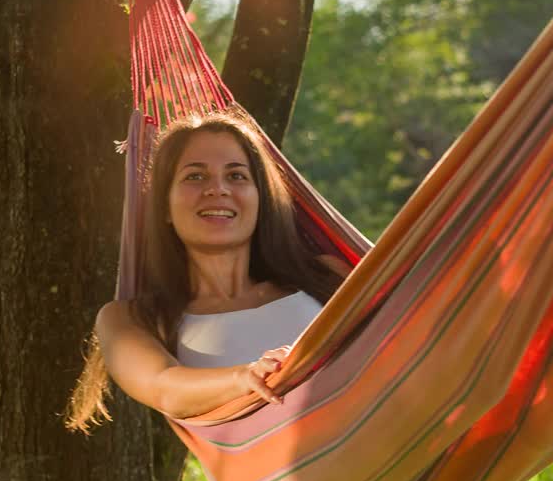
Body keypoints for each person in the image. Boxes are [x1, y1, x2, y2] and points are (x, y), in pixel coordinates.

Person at [66, 110, 351, 430]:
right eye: (195, 176)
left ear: (260, 199)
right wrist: (245, 377)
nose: (218, 189)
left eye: (236, 176)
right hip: (270, 474)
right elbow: (165, 388)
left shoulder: (327, 278)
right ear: (164, 207)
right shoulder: (132, 319)